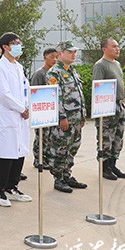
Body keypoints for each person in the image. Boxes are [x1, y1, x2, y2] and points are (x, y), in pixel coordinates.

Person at [0, 33, 33, 207]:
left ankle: (12, 187)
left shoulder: (18, 67)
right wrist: (21, 108)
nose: (18, 46)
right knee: (5, 154)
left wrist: (26, 108)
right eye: (15, 43)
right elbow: (3, 95)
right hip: (8, 116)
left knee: (20, 151)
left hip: (21, 117)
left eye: (19, 43)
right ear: (5, 47)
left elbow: (25, 89)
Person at [47, 41, 88, 193]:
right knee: (60, 149)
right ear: (60, 54)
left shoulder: (72, 71)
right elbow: (55, 97)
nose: (73, 54)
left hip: (76, 118)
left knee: (73, 148)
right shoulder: (54, 73)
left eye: (74, 52)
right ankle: (58, 178)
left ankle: (67, 175)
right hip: (65, 120)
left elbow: (79, 94)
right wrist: (61, 117)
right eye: (70, 52)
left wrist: (83, 115)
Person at [92, 38, 125, 180]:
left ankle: (113, 164)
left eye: (118, 46)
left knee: (118, 138)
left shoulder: (117, 64)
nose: (117, 49)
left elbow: (121, 85)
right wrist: (101, 110)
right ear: (104, 49)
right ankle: (105, 167)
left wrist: (124, 105)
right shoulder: (100, 65)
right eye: (114, 46)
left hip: (119, 105)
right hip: (107, 106)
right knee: (106, 138)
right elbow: (98, 88)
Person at [31, 48, 57, 170]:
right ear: (45, 57)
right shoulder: (39, 74)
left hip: (52, 110)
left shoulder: (55, 73)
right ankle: (38, 159)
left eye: (56, 57)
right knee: (41, 136)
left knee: (50, 137)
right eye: (52, 57)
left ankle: (47, 157)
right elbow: (34, 92)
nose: (54, 59)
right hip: (41, 110)